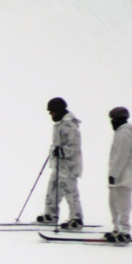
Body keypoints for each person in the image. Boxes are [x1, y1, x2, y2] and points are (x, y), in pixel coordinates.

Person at [36, 97, 84, 229]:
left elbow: (74, 146)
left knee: (70, 191)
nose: (50, 114)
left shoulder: (70, 125)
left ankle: (76, 218)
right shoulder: (60, 124)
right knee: (53, 188)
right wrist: (54, 151)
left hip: (69, 166)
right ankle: (51, 214)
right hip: (59, 165)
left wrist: (61, 151)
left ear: (58, 110)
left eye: (52, 111)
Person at [105, 106, 132, 243]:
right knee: (113, 203)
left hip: (124, 176)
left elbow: (122, 156)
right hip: (119, 176)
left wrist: (114, 173)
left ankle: (124, 230)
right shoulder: (120, 133)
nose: (111, 122)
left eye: (113, 119)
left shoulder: (125, 134)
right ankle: (117, 228)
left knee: (122, 204)